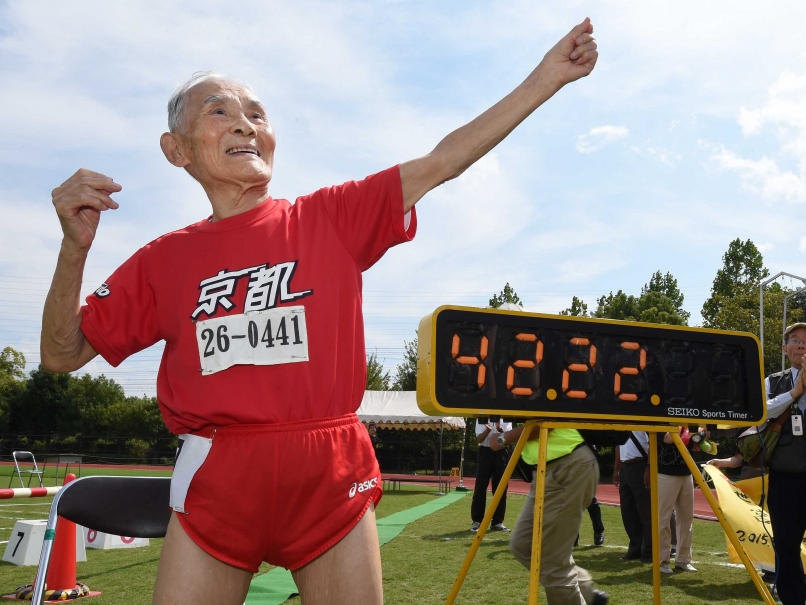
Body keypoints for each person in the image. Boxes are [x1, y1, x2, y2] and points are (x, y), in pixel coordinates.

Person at [40, 18, 598, 605]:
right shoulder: (163, 260)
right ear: (175, 149)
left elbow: (443, 161)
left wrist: (547, 78)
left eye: (257, 113)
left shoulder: (327, 219)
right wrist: (73, 249)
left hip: (330, 472)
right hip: (218, 479)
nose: (245, 124)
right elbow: (61, 353)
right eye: (219, 111)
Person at [492, 426, 609, 605]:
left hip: (566, 465)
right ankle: (584, 589)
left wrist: (503, 438)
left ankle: (581, 593)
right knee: (523, 545)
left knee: (553, 562)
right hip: (547, 470)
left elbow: (542, 422)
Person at [759, 323, 806, 605]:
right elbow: (761, 415)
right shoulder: (772, 381)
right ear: (785, 349)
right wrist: (795, 392)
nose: (801, 345)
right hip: (784, 476)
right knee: (786, 548)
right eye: (795, 340)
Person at [657, 427, 698, 574]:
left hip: (687, 473)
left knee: (687, 518)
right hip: (665, 474)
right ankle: (662, 561)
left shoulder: (688, 424)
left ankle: (683, 560)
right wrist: (686, 426)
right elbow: (668, 438)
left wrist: (703, 431)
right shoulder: (661, 420)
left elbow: (699, 439)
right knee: (663, 518)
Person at [613, 432, 653, 562]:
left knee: (645, 511)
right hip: (626, 467)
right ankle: (635, 549)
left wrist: (648, 468)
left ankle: (649, 551)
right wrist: (616, 470)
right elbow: (619, 447)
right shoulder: (620, 426)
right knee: (628, 511)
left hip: (640, 465)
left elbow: (652, 444)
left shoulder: (643, 423)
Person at [471, 418, 513, 532]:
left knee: (501, 487)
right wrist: (487, 430)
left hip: (500, 452)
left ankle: (497, 522)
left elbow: (507, 440)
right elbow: (479, 440)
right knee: (480, 486)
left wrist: (500, 429)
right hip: (485, 452)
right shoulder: (482, 417)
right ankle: (477, 521)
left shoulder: (506, 418)